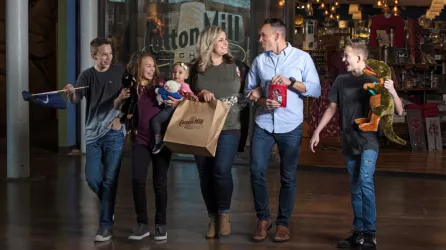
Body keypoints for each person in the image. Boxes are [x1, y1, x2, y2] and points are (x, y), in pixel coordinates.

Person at [309, 39, 404, 248]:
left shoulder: (376, 79)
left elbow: (398, 110)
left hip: (369, 140)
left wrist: (393, 91)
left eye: (346, 55)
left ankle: (370, 233)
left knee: (365, 181)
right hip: (349, 140)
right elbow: (332, 108)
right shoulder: (341, 80)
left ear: (359, 58)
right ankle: (358, 233)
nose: (343, 59)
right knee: (355, 187)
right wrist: (317, 131)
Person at [245, 18, 321, 242]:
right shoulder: (259, 61)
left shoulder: (302, 58)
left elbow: (315, 89)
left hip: (291, 126)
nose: (260, 40)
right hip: (264, 124)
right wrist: (260, 99)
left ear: (277, 36)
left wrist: (291, 82)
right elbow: (249, 93)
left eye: (263, 35)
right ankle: (263, 219)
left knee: (288, 177)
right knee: (256, 171)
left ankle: (283, 223)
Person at [63, 37, 129, 242]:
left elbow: (131, 97)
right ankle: (108, 200)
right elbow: (75, 99)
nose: (108, 57)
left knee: (110, 180)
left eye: (110, 53)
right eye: (104, 54)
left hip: (114, 133)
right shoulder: (86, 75)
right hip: (93, 134)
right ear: (94, 56)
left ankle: (105, 227)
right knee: (92, 178)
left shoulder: (120, 72)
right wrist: (70, 93)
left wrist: (122, 119)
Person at [188, 26, 247, 238]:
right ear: (210, 42)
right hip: (202, 127)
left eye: (226, 39)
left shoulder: (237, 66)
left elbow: (248, 92)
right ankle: (212, 217)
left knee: (221, 170)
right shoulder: (195, 68)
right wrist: (199, 92)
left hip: (230, 127)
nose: (225, 43)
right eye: (221, 39)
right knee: (205, 173)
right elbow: (185, 93)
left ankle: (224, 213)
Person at [119, 51, 181, 241]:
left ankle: (161, 225)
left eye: (153, 66)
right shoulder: (131, 87)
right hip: (141, 139)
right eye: (147, 65)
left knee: (159, 182)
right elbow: (126, 110)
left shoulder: (161, 84)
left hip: (160, 139)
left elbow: (179, 97)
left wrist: (178, 101)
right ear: (138, 67)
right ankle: (142, 225)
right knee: (137, 179)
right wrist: (120, 118)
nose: (151, 69)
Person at [151, 62, 194, 154]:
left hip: (174, 109)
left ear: (186, 76)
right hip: (167, 107)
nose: (176, 75)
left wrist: (187, 96)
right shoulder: (169, 84)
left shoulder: (184, 86)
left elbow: (190, 96)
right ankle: (159, 139)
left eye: (180, 72)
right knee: (157, 121)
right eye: (174, 72)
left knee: (156, 120)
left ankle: (159, 141)